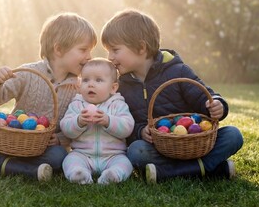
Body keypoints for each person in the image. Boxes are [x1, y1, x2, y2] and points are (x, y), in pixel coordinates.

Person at [101, 10, 244, 183]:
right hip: (159, 148)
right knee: (136, 151)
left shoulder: (178, 71)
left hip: (193, 144)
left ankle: (168, 173)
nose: (110, 57)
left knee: (233, 135)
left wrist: (217, 105)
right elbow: (125, 123)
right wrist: (140, 132)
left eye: (115, 50)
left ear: (141, 47)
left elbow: (205, 97)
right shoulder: (121, 86)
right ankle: (207, 169)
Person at [0, 13, 96, 181]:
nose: (89, 56)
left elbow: (76, 124)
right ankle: (22, 170)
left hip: (41, 149)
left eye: (90, 51)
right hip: (10, 142)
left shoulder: (79, 88)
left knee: (59, 156)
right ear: (58, 49)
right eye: (83, 50)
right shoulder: (28, 73)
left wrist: (60, 139)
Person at [60, 58, 134, 184]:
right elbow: (66, 128)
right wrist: (78, 122)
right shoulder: (77, 105)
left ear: (113, 88)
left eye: (98, 80)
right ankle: (79, 173)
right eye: (86, 80)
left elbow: (127, 127)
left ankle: (113, 174)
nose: (91, 84)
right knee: (70, 160)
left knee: (125, 163)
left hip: (113, 155)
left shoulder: (118, 105)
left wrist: (109, 121)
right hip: (83, 154)